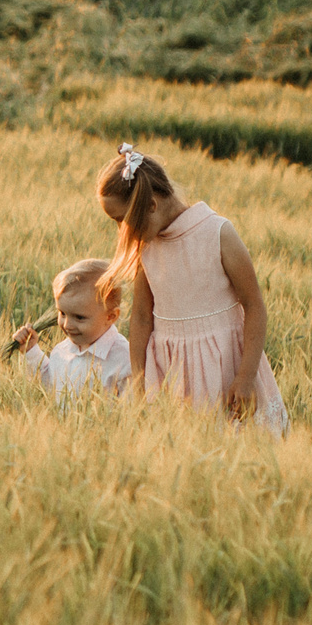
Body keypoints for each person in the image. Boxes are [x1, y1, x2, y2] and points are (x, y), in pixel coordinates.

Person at [94, 143, 289, 437]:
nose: (121, 231)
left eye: (122, 220)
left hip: (226, 371)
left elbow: (254, 305)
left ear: (150, 206)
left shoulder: (218, 233)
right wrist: (138, 379)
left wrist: (246, 377)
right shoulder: (146, 249)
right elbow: (142, 319)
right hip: (172, 378)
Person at [12, 257, 132, 405]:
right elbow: (50, 386)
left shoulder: (125, 359)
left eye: (79, 317)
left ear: (111, 316)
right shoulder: (61, 351)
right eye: (62, 313)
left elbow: (131, 412)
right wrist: (31, 351)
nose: (67, 325)